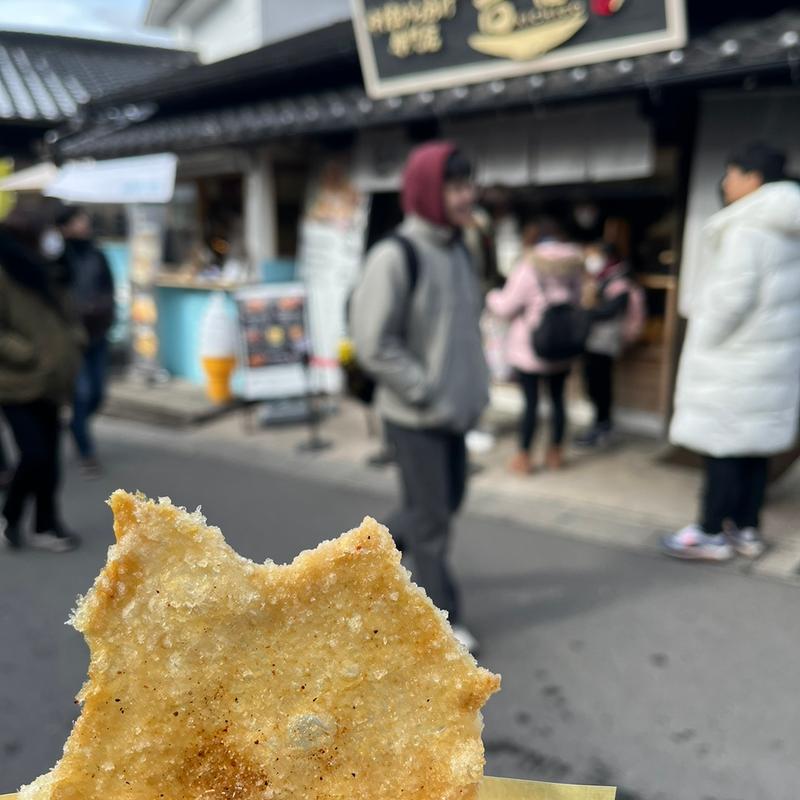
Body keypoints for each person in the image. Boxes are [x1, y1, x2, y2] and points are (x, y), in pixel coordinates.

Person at [350, 141, 489, 652]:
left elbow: (463, 331)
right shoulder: (395, 255)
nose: (465, 195)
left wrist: (475, 388)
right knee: (432, 523)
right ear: (428, 190)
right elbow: (372, 343)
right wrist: (425, 390)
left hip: (455, 411)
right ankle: (442, 623)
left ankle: (364, 560)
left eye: (468, 183)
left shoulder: (460, 248)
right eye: (454, 186)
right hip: (415, 415)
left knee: (441, 505)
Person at [662, 142, 800, 561]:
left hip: (735, 360)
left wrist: (704, 335)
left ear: (753, 178)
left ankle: (709, 533)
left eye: (731, 172)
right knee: (754, 449)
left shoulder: (748, 226)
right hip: (772, 359)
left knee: (722, 446)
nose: (725, 182)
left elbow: (731, 299)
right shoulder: (788, 226)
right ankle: (746, 530)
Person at [0, 207, 85, 552]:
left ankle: (47, 524)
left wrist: (73, 340)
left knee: (50, 458)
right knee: (34, 454)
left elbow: (67, 313)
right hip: (15, 382)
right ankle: (11, 514)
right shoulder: (4, 273)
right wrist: (29, 353)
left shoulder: (46, 270)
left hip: (52, 381)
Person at [487, 239, 584, 474]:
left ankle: (524, 458)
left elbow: (506, 307)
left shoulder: (528, 269)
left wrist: (492, 296)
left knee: (531, 404)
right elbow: (577, 301)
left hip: (529, 349)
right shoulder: (572, 269)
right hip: (561, 348)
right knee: (558, 401)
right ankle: (556, 453)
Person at [57, 207, 115, 475]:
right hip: (71, 339)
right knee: (81, 395)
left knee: (97, 394)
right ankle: (86, 450)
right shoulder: (58, 257)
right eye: (78, 220)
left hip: (98, 334)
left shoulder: (97, 253)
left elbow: (109, 287)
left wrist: (106, 311)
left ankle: (76, 425)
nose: (84, 224)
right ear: (65, 227)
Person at [575, 241, 645, 448]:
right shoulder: (602, 279)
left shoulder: (619, 281)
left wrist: (586, 312)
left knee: (600, 385)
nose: (591, 261)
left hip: (605, 342)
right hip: (594, 340)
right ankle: (600, 424)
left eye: (595, 256)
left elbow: (611, 311)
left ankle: (602, 426)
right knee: (595, 383)